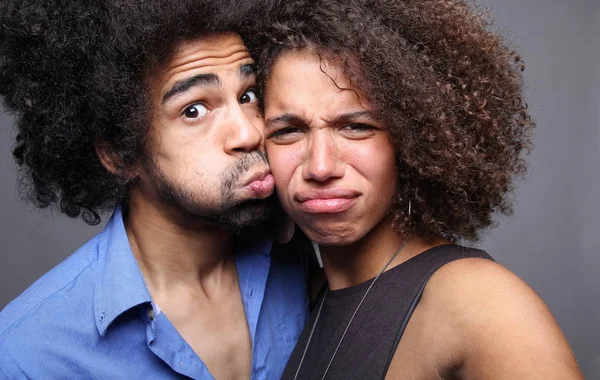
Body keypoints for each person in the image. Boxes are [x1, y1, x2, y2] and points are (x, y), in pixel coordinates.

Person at [245, 0, 584, 378]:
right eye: (288, 131)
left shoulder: (480, 302)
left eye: (356, 126)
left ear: (413, 138)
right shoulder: (297, 300)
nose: (320, 167)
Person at [0, 0, 308, 378]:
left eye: (247, 96)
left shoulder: (299, 249)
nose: (250, 132)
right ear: (119, 152)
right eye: (194, 110)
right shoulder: (29, 353)